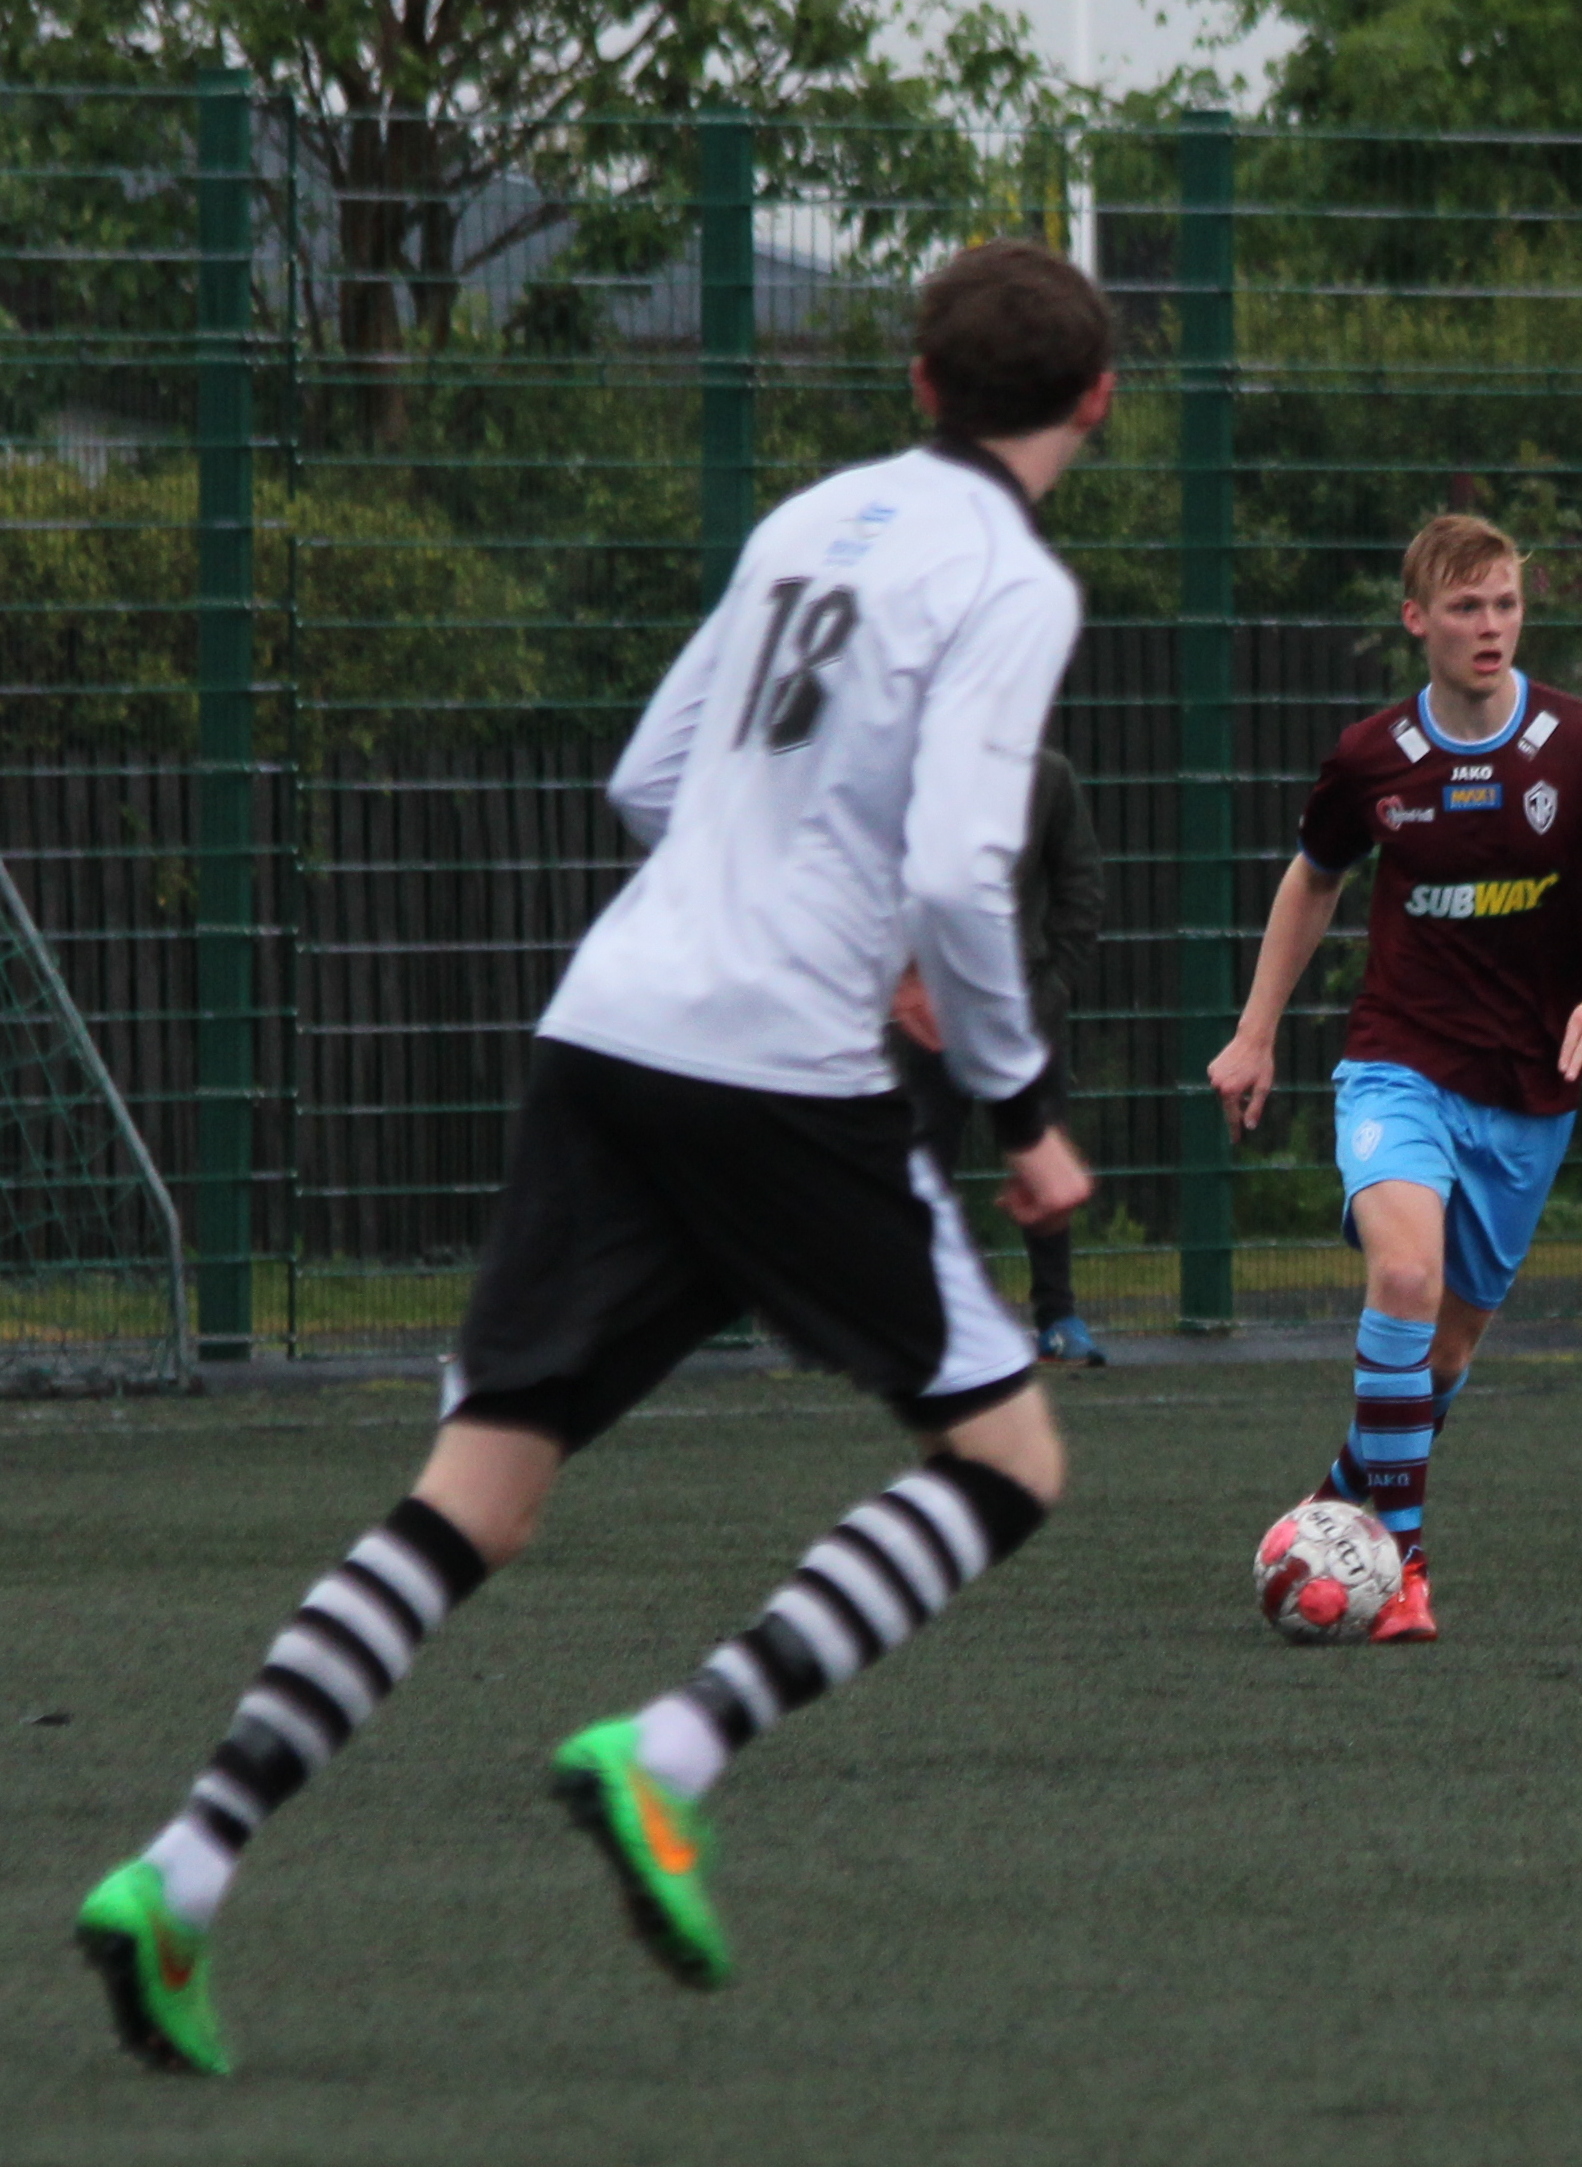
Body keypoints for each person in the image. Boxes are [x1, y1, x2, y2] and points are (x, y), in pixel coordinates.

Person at [74, 239, 1113, 2074]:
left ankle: (185, 1865)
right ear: (1095, 402)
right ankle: (676, 1746)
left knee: (475, 1492)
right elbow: (962, 871)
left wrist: (753, 878)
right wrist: (1023, 1116)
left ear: (919, 385)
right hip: (784, 1065)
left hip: (611, 1024)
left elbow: (648, 777)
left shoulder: (810, 516)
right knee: (1007, 1455)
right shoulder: (1011, 578)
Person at [1207, 513, 1582, 1640]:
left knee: (1440, 1359)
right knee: (1403, 1277)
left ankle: (1333, 1511)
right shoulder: (1373, 757)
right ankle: (1404, 1568)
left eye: (1505, 604)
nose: (1489, 626)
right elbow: (1313, 878)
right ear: (1417, 620)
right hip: (1398, 1066)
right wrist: (1254, 1035)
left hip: (1530, 1096)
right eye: (1464, 607)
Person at [891, 744, 1109, 1365]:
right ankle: (922, 1316)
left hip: (1022, 1012)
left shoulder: (1048, 776)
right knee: (922, 1163)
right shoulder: (910, 771)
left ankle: (1057, 1316)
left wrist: (1049, 993)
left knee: (1042, 1158)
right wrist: (907, 979)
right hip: (929, 1016)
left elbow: (1082, 890)